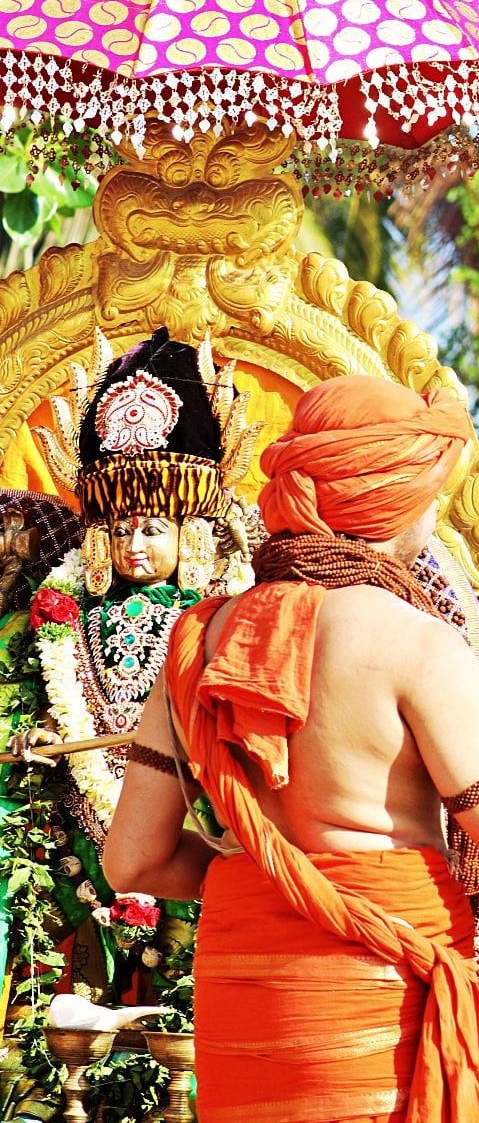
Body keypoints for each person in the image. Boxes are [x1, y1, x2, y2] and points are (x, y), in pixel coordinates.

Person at [102, 375, 479, 1123]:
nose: (436, 510)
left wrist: (275, 879)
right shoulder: (416, 645)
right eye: (433, 491)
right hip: (378, 996)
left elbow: (132, 861)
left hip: (245, 1005)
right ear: (397, 501)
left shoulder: (199, 640)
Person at [2, 329, 255, 1019]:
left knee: (190, 976)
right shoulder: (60, 608)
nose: (134, 547)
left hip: (193, 809)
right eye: (120, 531)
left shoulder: (224, 610)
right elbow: (30, 690)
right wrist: (34, 732)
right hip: (80, 818)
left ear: (190, 532)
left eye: (152, 530)